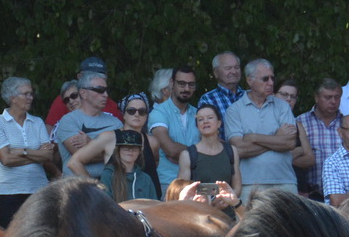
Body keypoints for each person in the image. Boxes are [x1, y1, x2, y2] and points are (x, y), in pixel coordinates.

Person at [224, 59, 299, 202]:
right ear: (250, 81)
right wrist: (276, 137)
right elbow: (239, 150)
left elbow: (289, 143)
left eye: (272, 78)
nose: (271, 83)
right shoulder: (234, 110)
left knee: (289, 225)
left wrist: (253, 137)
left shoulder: (283, 106)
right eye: (265, 79)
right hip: (249, 184)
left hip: (285, 181)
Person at [0, 76, 56, 227]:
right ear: (12, 97)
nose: (30, 97)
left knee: (41, 236)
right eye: (26, 94)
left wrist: (23, 151)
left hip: (38, 189)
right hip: (7, 191)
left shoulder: (37, 121)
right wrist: (36, 154)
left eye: (31, 94)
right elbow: (6, 159)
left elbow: (48, 155)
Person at [52, 68, 120, 179]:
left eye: (106, 90)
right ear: (83, 93)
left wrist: (91, 143)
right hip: (78, 188)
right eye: (99, 90)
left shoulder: (116, 122)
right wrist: (110, 150)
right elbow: (81, 156)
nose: (106, 95)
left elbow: (126, 155)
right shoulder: (68, 121)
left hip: (112, 186)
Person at [175, 101, 242, 202]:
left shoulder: (231, 151)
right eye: (200, 119)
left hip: (227, 213)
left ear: (219, 123)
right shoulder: (187, 155)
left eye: (210, 118)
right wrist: (210, 202)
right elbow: (182, 191)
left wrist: (224, 200)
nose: (205, 121)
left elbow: (237, 188)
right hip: (199, 213)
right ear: (197, 126)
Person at [148, 65, 200, 193]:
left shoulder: (199, 114)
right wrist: (201, 152)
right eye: (181, 84)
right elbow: (170, 150)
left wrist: (183, 153)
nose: (186, 89)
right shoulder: (158, 113)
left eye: (191, 84)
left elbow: (215, 147)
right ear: (172, 83)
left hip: (197, 182)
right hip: (169, 184)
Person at [293, 79, 344, 200]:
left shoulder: (347, 124)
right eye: (328, 97)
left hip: (343, 193)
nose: (333, 101)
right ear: (316, 98)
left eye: (337, 97)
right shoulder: (301, 122)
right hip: (311, 194)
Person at [86, 130, 158, 203]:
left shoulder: (145, 178)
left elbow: (154, 206)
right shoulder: (108, 174)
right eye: (126, 147)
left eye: (135, 148)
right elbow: (105, 205)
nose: (130, 151)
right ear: (118, 151)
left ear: (139, 152)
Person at [199, 51, 244, 117]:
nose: (234, 72)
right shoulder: (208, 99)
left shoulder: (250, 96)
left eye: (236, 67)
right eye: (228, 68)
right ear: (216, 73)